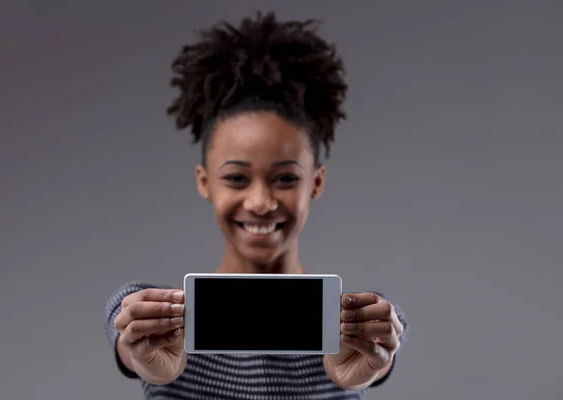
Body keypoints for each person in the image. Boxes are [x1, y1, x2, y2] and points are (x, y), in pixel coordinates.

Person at [103, 11, 408, 399]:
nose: (261, 202)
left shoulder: (362, 326)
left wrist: (369, 364)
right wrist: (137, 350)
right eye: (236, 178)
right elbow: (123, 329)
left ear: (315, 182)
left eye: (285, 178)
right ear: (204, 182)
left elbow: (382, 353)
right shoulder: (157, 325)